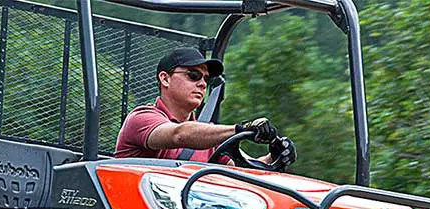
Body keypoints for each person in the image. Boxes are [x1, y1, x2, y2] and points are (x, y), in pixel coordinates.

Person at [114, 47, 296, 170]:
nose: (202, 84)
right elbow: (178, 135)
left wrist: (273, 157)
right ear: (165, 79)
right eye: (193, 75)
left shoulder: (206, 134)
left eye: (206, 80)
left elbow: (241, 169)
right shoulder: (141, 118)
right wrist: (240, 128)